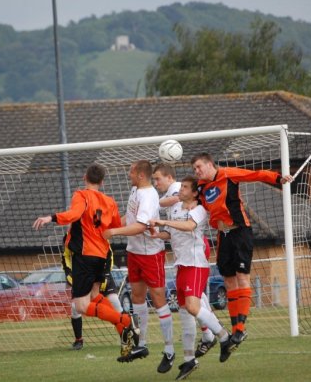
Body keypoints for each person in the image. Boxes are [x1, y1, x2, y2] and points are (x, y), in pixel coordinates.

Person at [33, 163, 138, 359]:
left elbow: (73, 215)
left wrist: (51, 217)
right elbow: (115, 226)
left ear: (85, 177)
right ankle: (125, 325)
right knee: (95, 296)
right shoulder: (110, 201)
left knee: (81, 306)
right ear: (102, 181)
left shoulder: (81, 195)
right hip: (102, 256)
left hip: (85, 255)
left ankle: (125, 321)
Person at [191, 153, 293, 353]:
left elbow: (255, 174)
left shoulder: (228, 174)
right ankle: (234, 330)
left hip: (239, 232)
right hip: (223, 237)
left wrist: (278, 178)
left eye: (199, 166)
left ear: (210, 164)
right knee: (228, 281)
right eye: (194, 168)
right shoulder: (202, 187)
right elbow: (193, 202)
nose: (197, 171)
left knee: (242, 277)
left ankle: (240, 329)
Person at [150, 175, 236, 379]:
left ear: (195, 192)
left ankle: (224, 337)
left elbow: (189, 226)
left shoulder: (200, 210)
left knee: (192, 306)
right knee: (185, 313)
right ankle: (189, 360)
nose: (181, 190)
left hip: (196, 265)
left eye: (186, 188)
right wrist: (157, 234)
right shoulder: (176, 208)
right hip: (181, 265)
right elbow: (170, 233)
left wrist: (162, 220)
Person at [103, 160, 176, 374]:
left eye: (131, 171)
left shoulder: (148, 195)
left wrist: (114, 233)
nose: (129, 174)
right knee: (136, 296)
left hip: (150, 253)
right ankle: (141, 344)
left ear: (140, 175)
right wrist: (113, 225)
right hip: (134, 252)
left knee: (159, 299)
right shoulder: (135, 190)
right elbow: (130, 218)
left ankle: (169, 350)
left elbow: (140, 227)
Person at [152, 163, 220, 358]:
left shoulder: (176, 190)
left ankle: (217, 333)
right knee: (194, 298)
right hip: (182, 251)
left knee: (194, 299)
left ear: (169, 178)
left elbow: (172, 203)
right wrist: (158, 234)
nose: (156, 183)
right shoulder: (173, 195)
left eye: (158, 179)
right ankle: (207, 335)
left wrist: (156, 203)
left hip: (195, 248)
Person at [62, 242, 123, 350]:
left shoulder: (97, 230)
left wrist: (107, 273)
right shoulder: (69, 236)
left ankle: (125, 335)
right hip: (83, 276)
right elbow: (66, 255)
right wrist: (68, 273)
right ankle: (78, 340)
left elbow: (109, 252)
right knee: (75, 308)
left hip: (102, 275)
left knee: (115, 303)